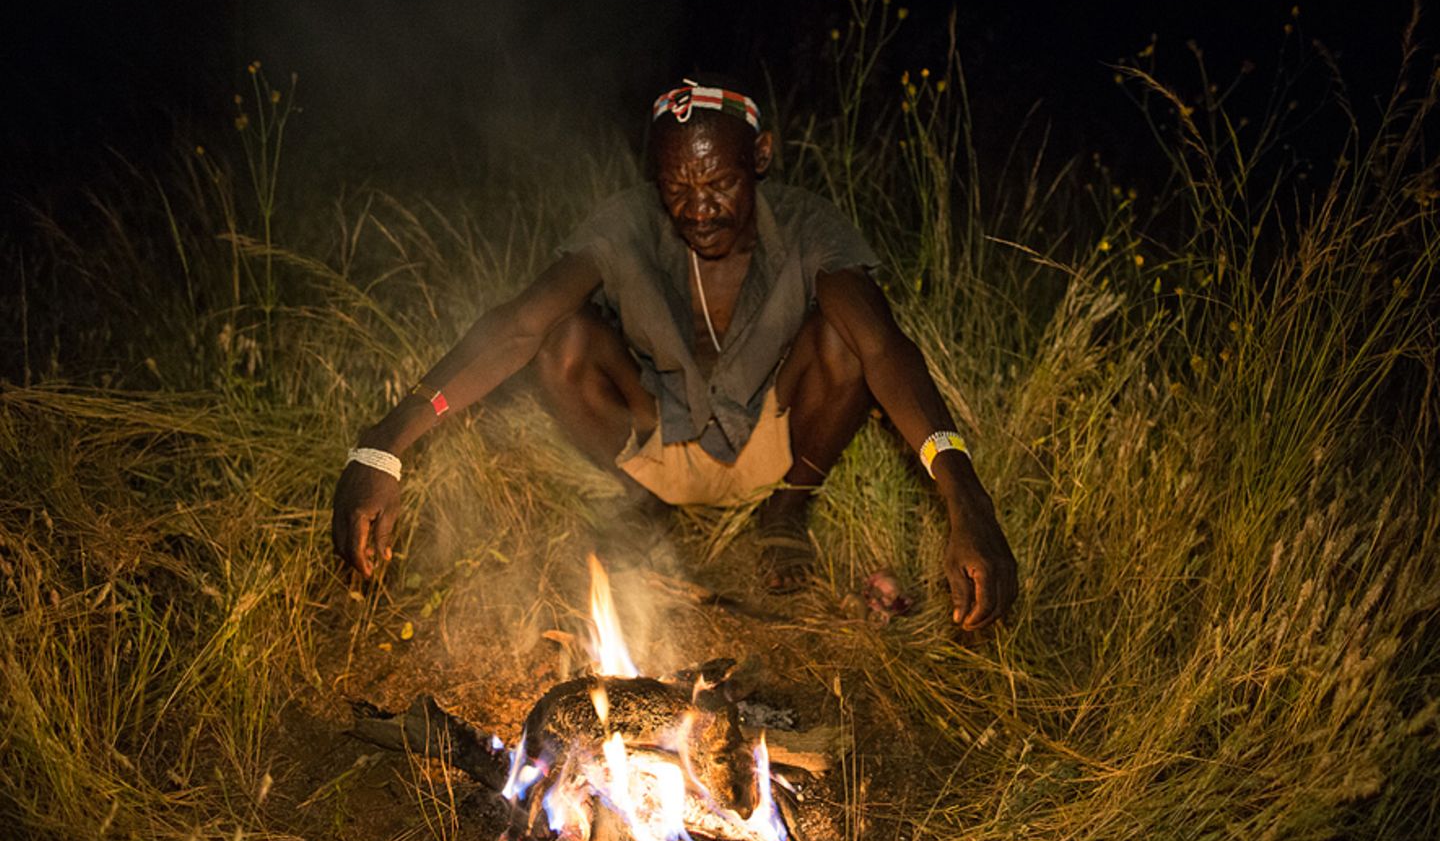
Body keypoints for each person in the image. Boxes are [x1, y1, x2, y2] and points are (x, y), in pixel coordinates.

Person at [332, 77, 1017, 629]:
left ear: (762, 158)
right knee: (559, 337)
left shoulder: (807, 226)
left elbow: (885, 347)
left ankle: (786, 514)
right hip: (656, 434)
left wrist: (965, 496)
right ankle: (646, 498)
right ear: (655, 179)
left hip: (771, 443)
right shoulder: (628, 225)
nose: (700, 209)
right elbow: (516, 325)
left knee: (844, 338)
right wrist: (386, 442)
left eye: (719, 183)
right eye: (677, 189)